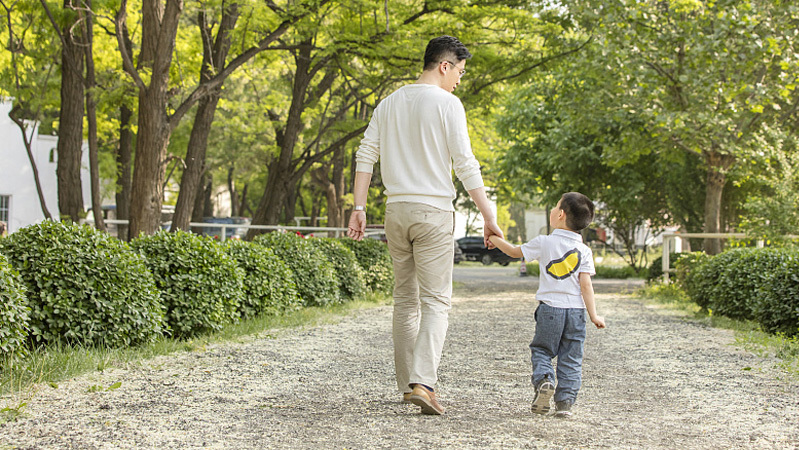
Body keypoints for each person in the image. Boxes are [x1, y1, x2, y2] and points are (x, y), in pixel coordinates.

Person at [347, 35, 503, 415]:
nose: (460, 81)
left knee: (405, 299)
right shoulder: (448, 104)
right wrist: (488, 214)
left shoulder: (388, 103)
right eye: (460, 72)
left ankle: (406, 386)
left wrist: (359, 206)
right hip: (433, 211)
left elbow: (366, 153)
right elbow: (465, 164)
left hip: (396, 211)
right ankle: (423, 383)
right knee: (435, 302)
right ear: (444, 65)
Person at [489, 192, 606, 418]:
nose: (552, 209)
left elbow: (514, 251)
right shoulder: (584, 251)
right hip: (577, 312)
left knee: (542, 350)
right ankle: (564, 404)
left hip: (550, 309)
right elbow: (586, 286)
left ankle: (545, 380)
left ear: (560, 215)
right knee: (571, 357)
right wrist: (594, 315)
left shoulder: (544, 242)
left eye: (555, 206)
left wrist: (493, 239)